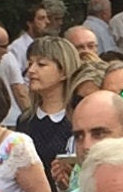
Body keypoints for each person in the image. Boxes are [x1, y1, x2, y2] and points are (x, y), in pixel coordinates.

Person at [17, 36, 81, 169]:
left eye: (41, 64)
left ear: (63, 71)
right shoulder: (25, 121)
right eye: (30, 64)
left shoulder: (79, 117)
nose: (31, 70)